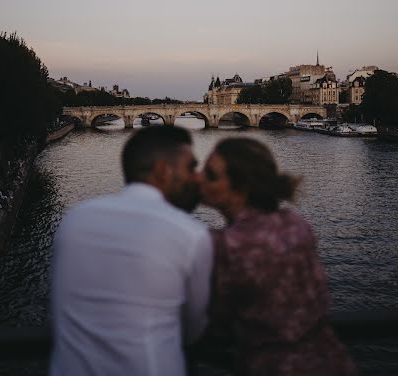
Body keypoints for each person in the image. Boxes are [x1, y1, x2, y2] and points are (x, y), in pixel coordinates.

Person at [50, 125, 213, 376]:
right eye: (191, 167)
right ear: (162, 171)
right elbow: (192, 329)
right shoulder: (190, 234)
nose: (197, 177)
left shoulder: (73, 220)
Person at [199, 137, 356, 376]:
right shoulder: (296, 224)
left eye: (210, 175)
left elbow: (213, 321)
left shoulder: (225, 245)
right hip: (332, 361)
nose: (199, 178)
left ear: (240, 187)